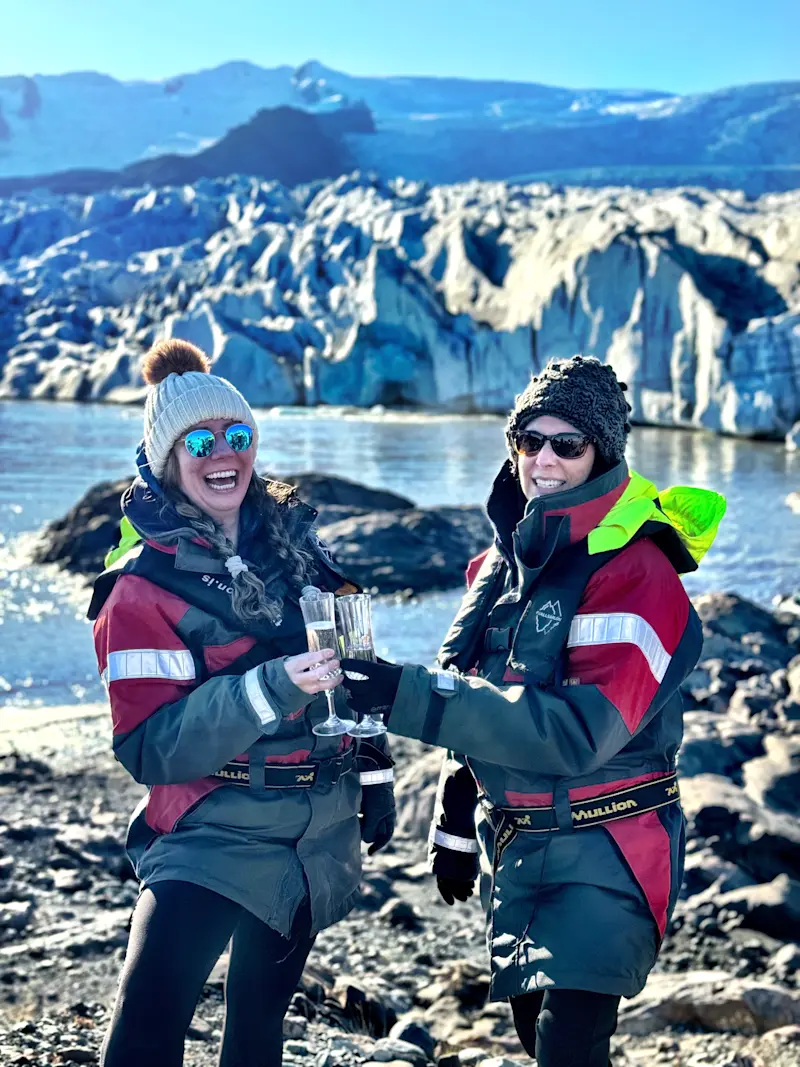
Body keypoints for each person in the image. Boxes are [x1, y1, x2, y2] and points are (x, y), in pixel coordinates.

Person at [341, 356, 726, 1067]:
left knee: (568, 1048)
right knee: (534, 1034)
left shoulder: (638, 574)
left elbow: (577, 732)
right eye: (529, 439)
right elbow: (489, 689)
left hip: (608, 850)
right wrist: (456, 816)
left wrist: (404, 694)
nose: (544, 458)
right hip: (519, 850)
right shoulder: (507, 561)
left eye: (568, 443)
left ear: (602, 453)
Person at [88, 339, 395, 1067]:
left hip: (313, 833)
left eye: (238, 435)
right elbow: (151, 748)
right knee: (144, 1032)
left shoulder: (300, 552)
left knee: (259, 1031)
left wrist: (376, 773)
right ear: (167, 457)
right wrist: (272, 684)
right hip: (212, 832)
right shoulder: (141, 589)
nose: (221, 452)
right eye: (199, 439)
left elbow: (359, 671)